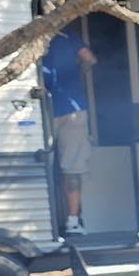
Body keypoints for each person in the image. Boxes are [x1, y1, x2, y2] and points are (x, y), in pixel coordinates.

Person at [41, 25, 96, 235]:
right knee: (72, 166)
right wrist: (78, 75)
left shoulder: (30, 32)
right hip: (74, 108)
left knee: (44, 163)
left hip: (44, 108)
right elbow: (89, 58)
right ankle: (73, 221)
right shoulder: (67, 35)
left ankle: (49, 222)